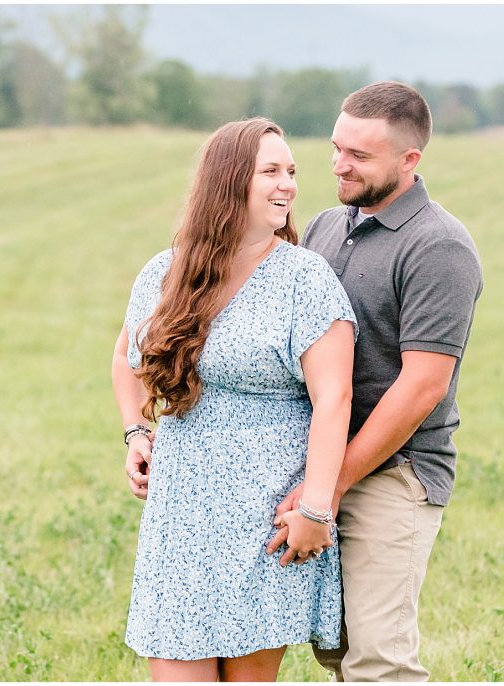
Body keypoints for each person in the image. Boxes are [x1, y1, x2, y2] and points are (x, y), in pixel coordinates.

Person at [111, 118, 358, 682]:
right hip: (179, 516)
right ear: (227, 184)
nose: (289, 184)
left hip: (262, 515)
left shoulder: (305, 279)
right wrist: (135, 433)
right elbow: (126, 358)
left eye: (292, 172)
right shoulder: (167, 271)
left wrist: (316, 510)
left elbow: (334, 398)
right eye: (270, 171)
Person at [266, 81, 483, 681]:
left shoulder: (439, 247)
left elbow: (422, 387)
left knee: (378, 659)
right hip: (323, 464)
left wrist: (329, 486)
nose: (339, 165)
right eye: (336, 148)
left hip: (395, 473)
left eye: (358, 156)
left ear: (409, 160)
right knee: (335, 651)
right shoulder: (327, 228)